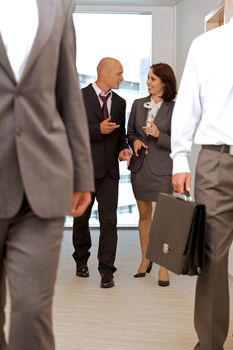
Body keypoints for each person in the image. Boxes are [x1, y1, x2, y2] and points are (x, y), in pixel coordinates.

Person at [0, 1, 95, 349]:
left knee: (31, 308)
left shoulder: (59, 5)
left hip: (45, 177)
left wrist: (82, 173)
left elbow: (68, 90)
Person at [171, 18, 233, 350]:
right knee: (212, 258)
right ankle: (210, 345)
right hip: (217, 162)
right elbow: (187, 106)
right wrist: (179, 158)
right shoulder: (207, 44)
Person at [72, 57, 131, 289]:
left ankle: (107, 270)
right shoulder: (78, 97)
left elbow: (121, 133)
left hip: (109, 173)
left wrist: (123, 148)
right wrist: (97, 129)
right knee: (81, 220)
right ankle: (81, 261)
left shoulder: (120, 102)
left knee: (109, 222)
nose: (122, 77)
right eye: (119, 73)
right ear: (104, 73)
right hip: (84, 171)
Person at [127, 63, 177, 286]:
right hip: (140, 169)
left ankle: (164, 266)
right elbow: (129, 132)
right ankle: (145, 259)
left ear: (164, 83)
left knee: (164, 220)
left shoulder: (175, 108)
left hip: (162, 170)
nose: (148, 82)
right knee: (144, 215)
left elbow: (179, 141)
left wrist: (159, 134)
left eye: (153, 79)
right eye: (148, 78)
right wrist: (135, 140)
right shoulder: (138, 105)